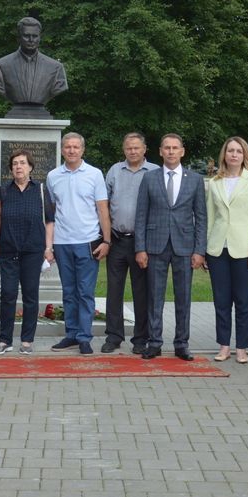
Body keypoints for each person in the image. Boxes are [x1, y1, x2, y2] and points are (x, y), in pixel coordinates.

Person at [134, 133, 206, 360]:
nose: (171, 152)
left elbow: (201, 217)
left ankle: (181, 343)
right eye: (167, 148)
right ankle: (154, 342)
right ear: (160, 151)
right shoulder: (150, 178)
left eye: (175, 148)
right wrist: (140, 248)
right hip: (155, 246)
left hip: (185, 246)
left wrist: (199, 250)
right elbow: (141, 215)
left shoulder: (194, 179)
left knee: (183, 297)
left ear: (182, 151)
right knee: (155, 297)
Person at [45, 132, 111, 355]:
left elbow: (103, 209)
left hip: (88, 242)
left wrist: (107, 240)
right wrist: (51, 244)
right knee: (69, 292)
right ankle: (71, 334)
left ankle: (84, 337)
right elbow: (53, 211)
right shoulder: (53, 176)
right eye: (67, 147)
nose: (71, 150)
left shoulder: (94, 174)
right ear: (62, 150)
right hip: (63, 242)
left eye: (76, 147)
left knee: (85, 292)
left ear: (82, 150)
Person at [205, 137, 248, 364]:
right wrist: (207, 249)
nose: (234, 155)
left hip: (244, 249)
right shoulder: (214, 182)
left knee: (244, 300)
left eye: (238, 151)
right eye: (230, 150)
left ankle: (242, 347)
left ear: (244, 155)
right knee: (221, 300)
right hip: (218, 249)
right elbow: (211, 217)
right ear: (224, 155)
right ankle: (224, 346)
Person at [103, 133, 160, 354]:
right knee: (114, 290)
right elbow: (104, 204)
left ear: (145, 149)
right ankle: (114, 336)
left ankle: (140, 338)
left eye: (137, 148)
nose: (133, 151)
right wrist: (106, 237)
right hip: (117, 239)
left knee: (141, 291)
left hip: (143, 242)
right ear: (124, 149)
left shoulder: (155, 171)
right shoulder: (115, 170)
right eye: (129, 148)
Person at [0, 149, 54, 355]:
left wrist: (48, 248)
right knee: (8, 294)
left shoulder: (40, 190)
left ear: (30, 167)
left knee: (30, 295)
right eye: (15, 164)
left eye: (22, 163)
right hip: (8, 249)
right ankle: (5, 340)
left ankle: (27, 340)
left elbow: (49, 221)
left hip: (33, 250)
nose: (18, 167)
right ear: (11, 169)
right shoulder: (3, 191)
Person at [0, 16, 68, 114]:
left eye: (35, 36)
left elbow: (60, 88)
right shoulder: (1, 65)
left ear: (39, 37)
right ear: (18, 38)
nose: (31, 40)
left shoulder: (56, 68)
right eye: (26, 36)